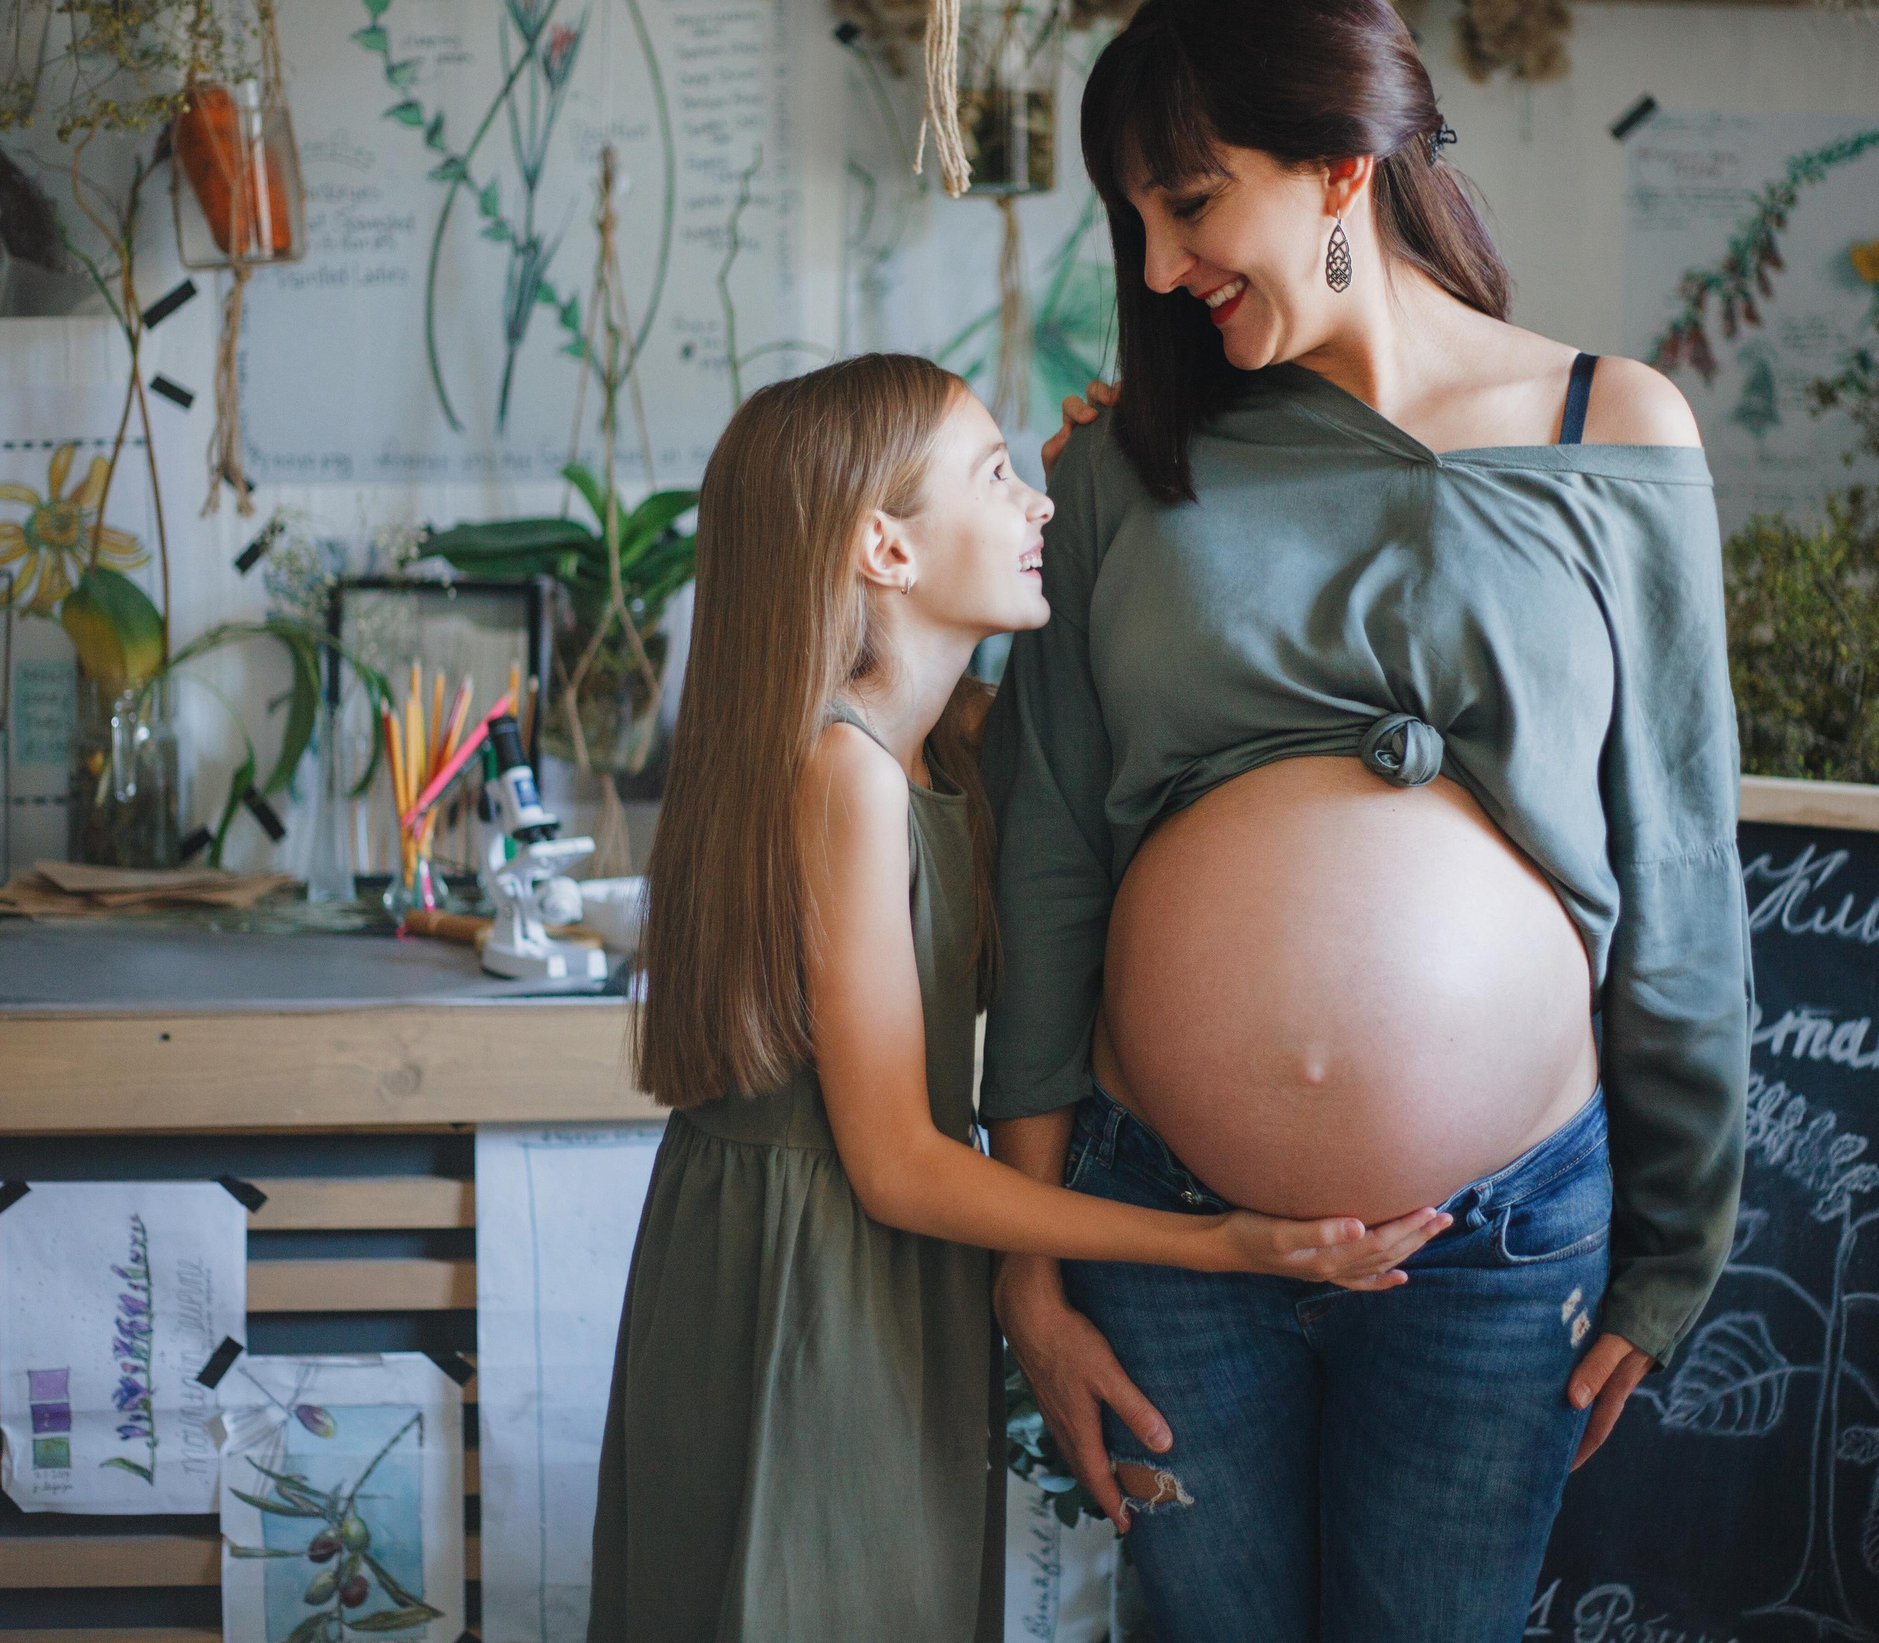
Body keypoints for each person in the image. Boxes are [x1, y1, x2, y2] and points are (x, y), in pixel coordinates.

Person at [981, 0, 1756, 1642]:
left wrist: (1680, 1246)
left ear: (1342, 162)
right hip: (1161, 1216)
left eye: (1194, 204)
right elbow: (1042, 857)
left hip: (1504, 1241)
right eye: (1141, 225)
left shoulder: (1612, 428)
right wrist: (1029, 1270)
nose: (1166, 267)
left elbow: (1679, 844)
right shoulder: (1126, 465)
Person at [587, 352, 1451, 1643]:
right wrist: (1223, 1243)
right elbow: (895, 1165)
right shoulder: (848, 777)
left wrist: (1141, 442)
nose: (1037, 506)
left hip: (847, 1266)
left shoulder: (943, 745)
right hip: (814, 1281)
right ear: (883, 547)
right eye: (998, 476)